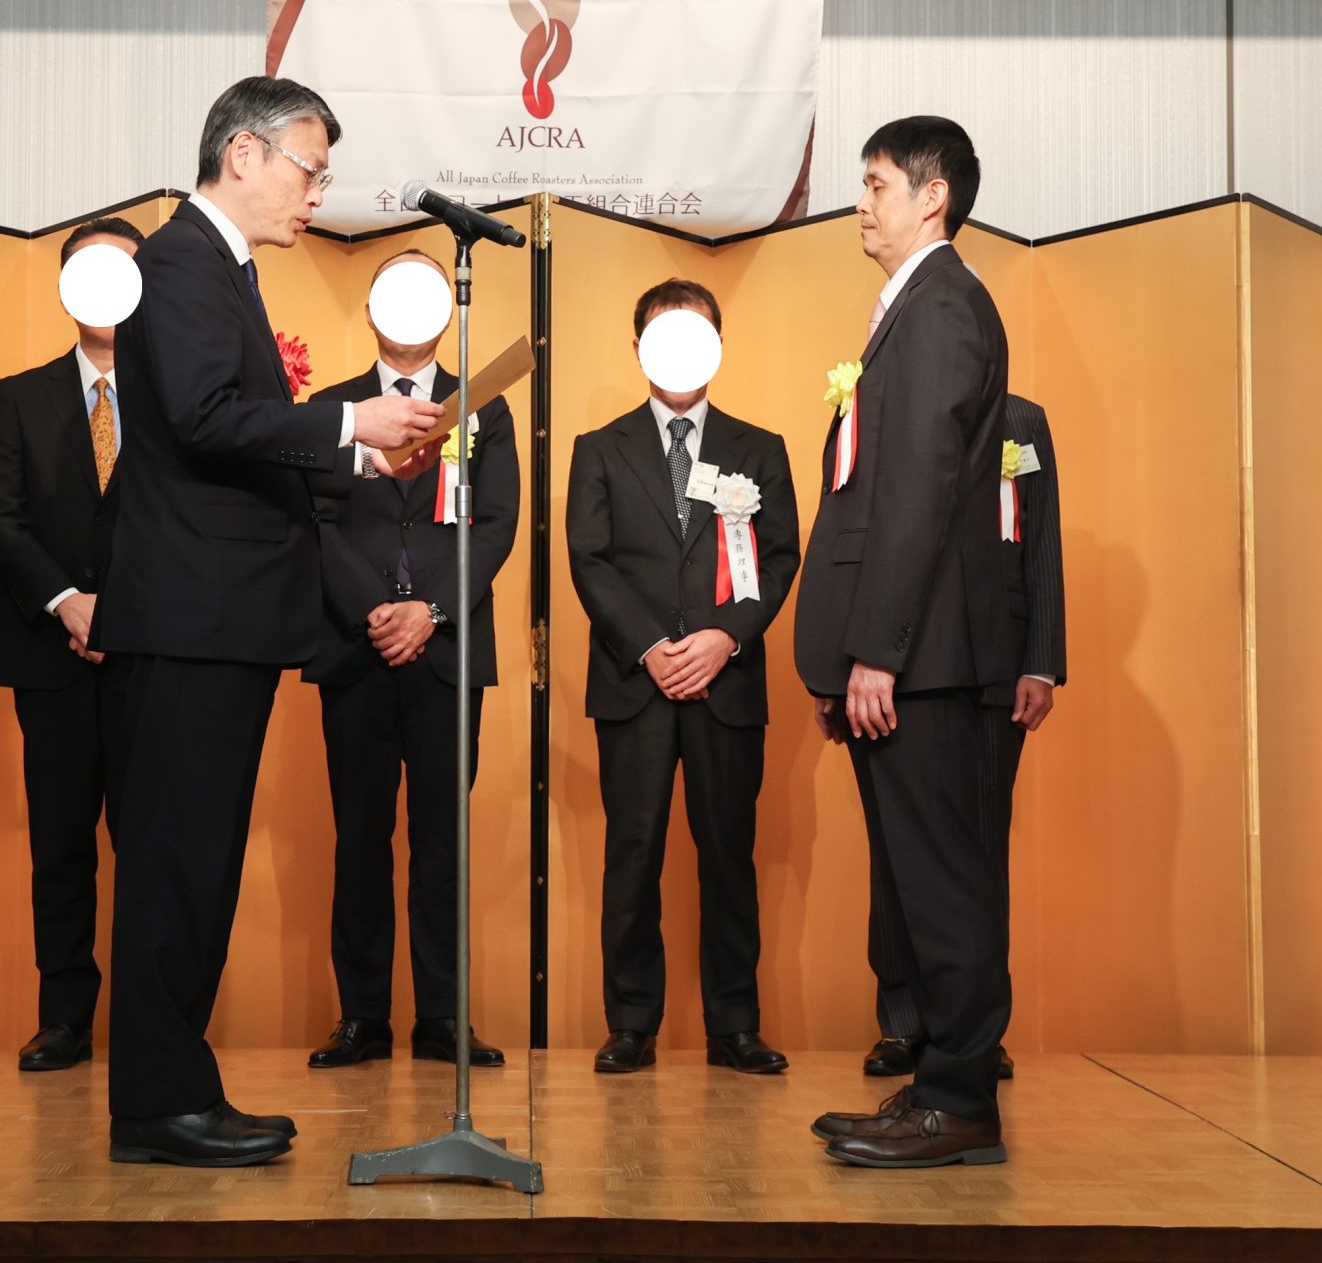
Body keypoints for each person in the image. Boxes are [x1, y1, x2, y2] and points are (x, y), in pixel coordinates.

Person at [95, 77, 441, 1166]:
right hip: (192, 616)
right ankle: (157, 1103)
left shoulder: (220, 267)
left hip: (221, 616)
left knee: (197, 861)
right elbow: (205, 417)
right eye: (309, 169)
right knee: (175, 863)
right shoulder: (179, 262)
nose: (317, 193)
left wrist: (360, 453)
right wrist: (348, 421)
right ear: (241, 154)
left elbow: (234, 438)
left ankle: (176, 1088)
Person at [798, 117, 1013, 1168]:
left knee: (942, 884)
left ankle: (960, 1101)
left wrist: (878, 649)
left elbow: (921, 490)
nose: (862, 201)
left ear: (933, 197)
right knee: (916, 881)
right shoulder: (918, 307)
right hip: (905, 654)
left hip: (922, 659)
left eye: (878, 183)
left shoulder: (941, 306)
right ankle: (932, 1088)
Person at [565, 280, 800, 1077]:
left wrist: (724, 638)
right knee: (632, 854)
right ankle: (631, 1022)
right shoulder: (599, 448)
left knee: (729, 853)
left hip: (726, 685)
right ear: (638, 348)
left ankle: (735, 1025)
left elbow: (780, 555)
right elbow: (589, 559)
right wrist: (651, 647)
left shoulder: (758, 447)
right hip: (635, 684)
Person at [303, 250, 520, 1071]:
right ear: (370, 310)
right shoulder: (329, 409)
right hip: (355, 650)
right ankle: (361, 1016)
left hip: (447, 651)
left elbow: (496, 523)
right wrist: (374, 611)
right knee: (358, 837)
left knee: (443, 842)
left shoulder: (483, 404)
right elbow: (316, 523)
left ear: (445, 310)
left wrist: (430, 610)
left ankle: (442, 1017)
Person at [0, 216, 142, 1073]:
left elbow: (195, 522)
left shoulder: (181, 398)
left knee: (151, 844)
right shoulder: (21, 395)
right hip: (48, 650)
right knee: (61, 843)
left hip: (153, 651)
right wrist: (70, 603)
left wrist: (127, 610)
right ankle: (64, 1018)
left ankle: (152, 1023)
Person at [864, 391, 1064, 1083]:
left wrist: (1041, 661)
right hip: (900, 657)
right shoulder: (876, 407)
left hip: (997, 661)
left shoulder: (1021, 419)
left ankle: (975, 1027)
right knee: (896, 841)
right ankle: (902, 1019)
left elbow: (1042, 540)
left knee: (980, 842)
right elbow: (857, 540)